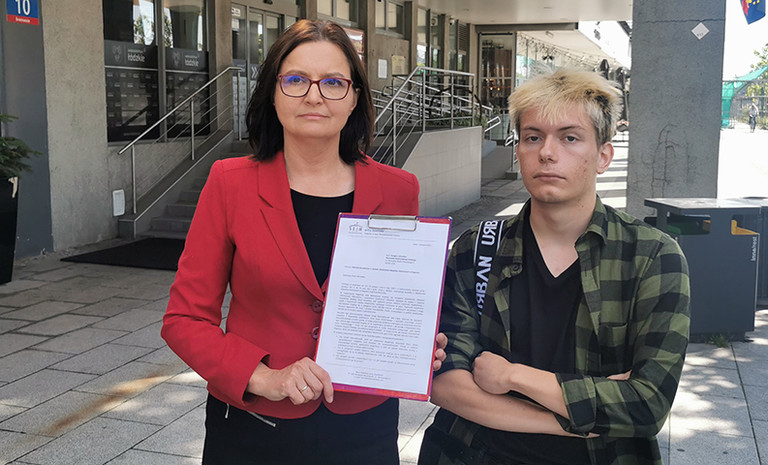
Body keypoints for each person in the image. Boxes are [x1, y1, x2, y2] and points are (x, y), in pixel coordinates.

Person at [162, 19, 445, 465]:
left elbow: (395, 299)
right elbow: (184, 319)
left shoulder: (397, 189)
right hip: (255, 425)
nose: (314, 96)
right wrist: (262, 377)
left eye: (333, 82)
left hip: (364, 426)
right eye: (295, 80)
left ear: (354, 97)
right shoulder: (230, 183)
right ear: (272, 94)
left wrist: (415, 344)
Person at [418, 69, 690, 465]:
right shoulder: (477, 248)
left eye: (569, 138)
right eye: (533, 137)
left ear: (603, 156)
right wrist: (572, 419)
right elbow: (445, 383)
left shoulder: (650, 256)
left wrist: (512, 376)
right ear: (518, 151)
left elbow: (647, 404)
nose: (547, 152)